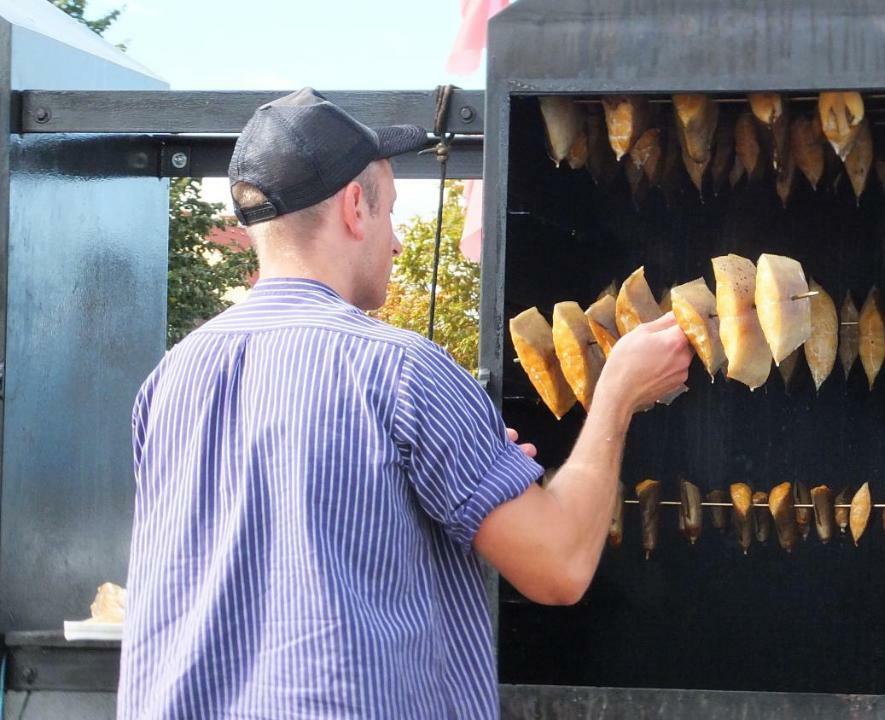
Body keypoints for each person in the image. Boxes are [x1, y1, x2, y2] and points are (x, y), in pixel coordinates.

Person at [117, 88, 692, 719]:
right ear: (355, 207)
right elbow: (558, 566)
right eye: (390, 212)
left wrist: (451, 478)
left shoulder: (171, 377)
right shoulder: (401, 371)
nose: (395, 243)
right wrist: (617, 395)